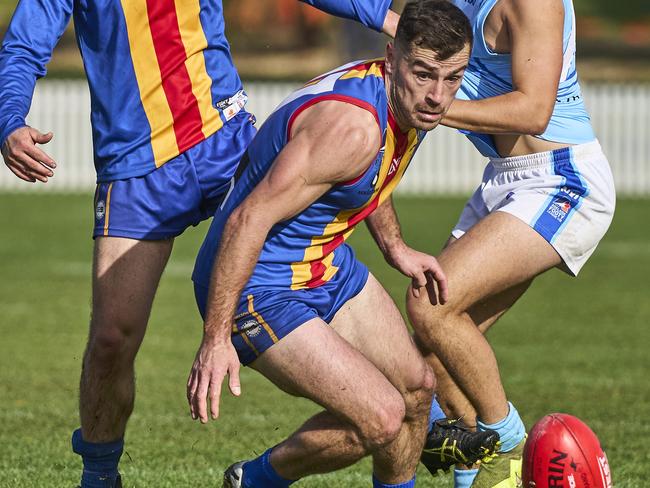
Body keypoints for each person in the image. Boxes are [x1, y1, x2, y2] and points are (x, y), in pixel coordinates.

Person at [0, 1, 400, 486]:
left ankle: (430, 406)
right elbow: (25, 42)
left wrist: (381, 16)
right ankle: (100, 475)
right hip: (135, 171)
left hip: (223, 141)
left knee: (307, 247)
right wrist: (10, 119)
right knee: (111, 338)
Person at [187, 2, 473, 486]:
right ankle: (255, 480)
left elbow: (363, 176)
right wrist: (215, 340)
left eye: (453, 78)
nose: (437, 96)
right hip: (258, 285)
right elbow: (246, 220)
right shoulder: (351, 129)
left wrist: (395, 248)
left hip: (322, 263)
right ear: (393, 57)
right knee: (382, 418)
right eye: (424, 74)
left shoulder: (403, 103)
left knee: (419, 390)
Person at [369, 0, 616, 486]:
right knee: (434, 356)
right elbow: (393, 30)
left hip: (561, 179)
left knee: (430, 305)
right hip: (505, 180)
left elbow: (533, 110)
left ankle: (506, 441)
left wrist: (428, 105)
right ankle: (487, 476)